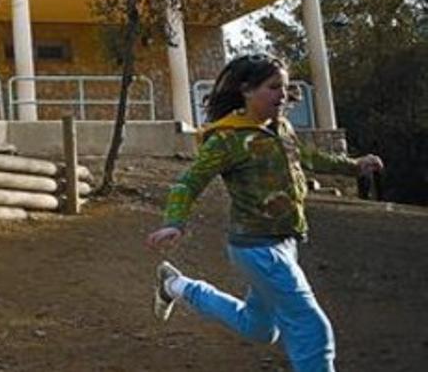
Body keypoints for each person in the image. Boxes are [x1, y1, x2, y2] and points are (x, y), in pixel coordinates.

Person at [145, 53, 384, 372]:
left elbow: (308, 158)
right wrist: (174, 222)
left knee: (259, 328)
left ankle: (176, 286)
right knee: (312, 329)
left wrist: (354, 167)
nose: (283, 95)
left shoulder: (281, 128)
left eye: (284, 88)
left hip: (284, 244)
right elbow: (188, 183)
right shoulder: (227, 139)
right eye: (273, 88)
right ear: (247, 90)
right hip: (257, 249)